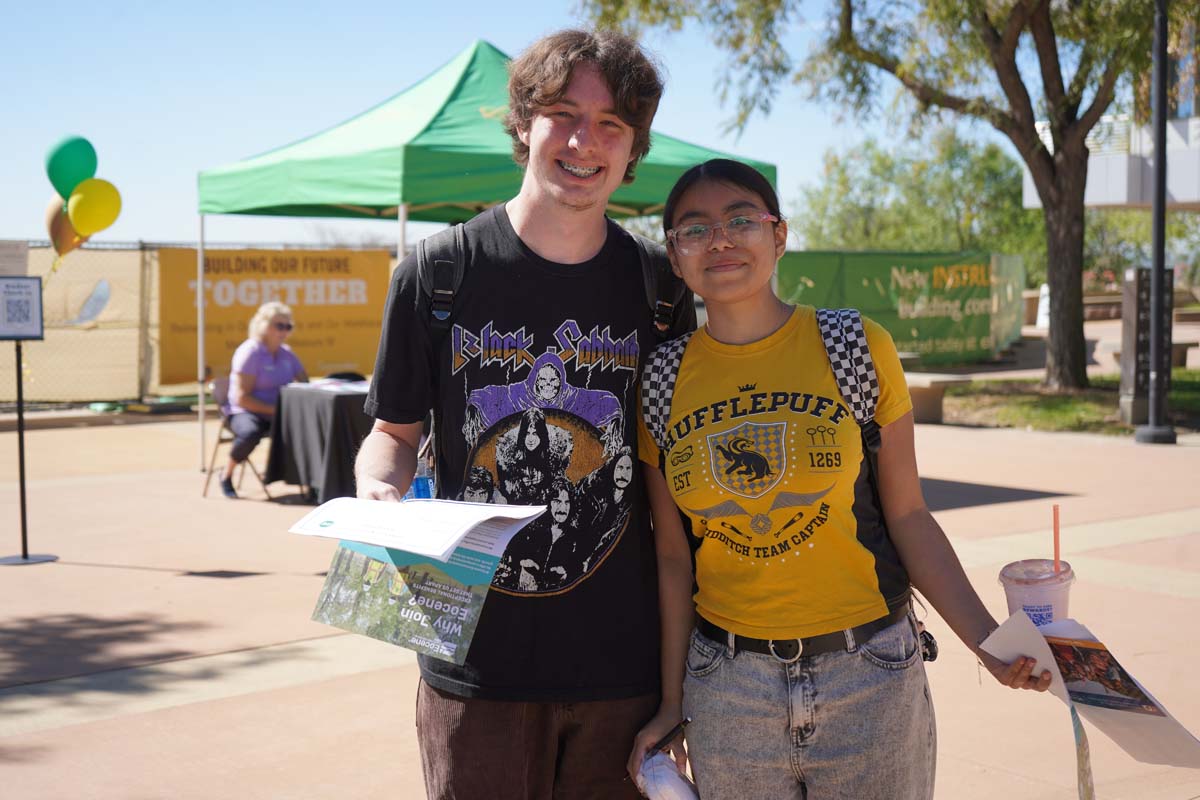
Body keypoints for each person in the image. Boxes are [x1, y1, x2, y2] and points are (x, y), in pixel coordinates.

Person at [627, 159, 1051, 799]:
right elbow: (671, 559)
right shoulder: (660, 381)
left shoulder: (855, 344)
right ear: (675, 256)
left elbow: (909, 516)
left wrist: (989, 643)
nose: (720, 239)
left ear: (779, 235)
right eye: (695, 229)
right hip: (728, 688)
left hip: (870, 675)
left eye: (741, 219)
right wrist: (669, 701)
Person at [354, 29, 695, 799]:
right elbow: (391, 437)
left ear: (633, 145)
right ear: (524, 124)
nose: (585, 141)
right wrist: (379, 493)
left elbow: (676, 482)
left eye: (612, 124)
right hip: (472, 666)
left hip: (623, 673)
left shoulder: (662, 290)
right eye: (563, 114)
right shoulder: (436, 273)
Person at [220, 301, 307, 499]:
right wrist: (276, 410)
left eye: (288, 326)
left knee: (308, 426)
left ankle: (309, 481)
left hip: (277, 413)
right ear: (264, 325)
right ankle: (226, 475)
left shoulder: (287, 354)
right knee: (250, 432)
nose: (284, 331)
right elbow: (242, 398)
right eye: (279, 325)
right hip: (243, 412)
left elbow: (305, 383)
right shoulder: (250, 352)